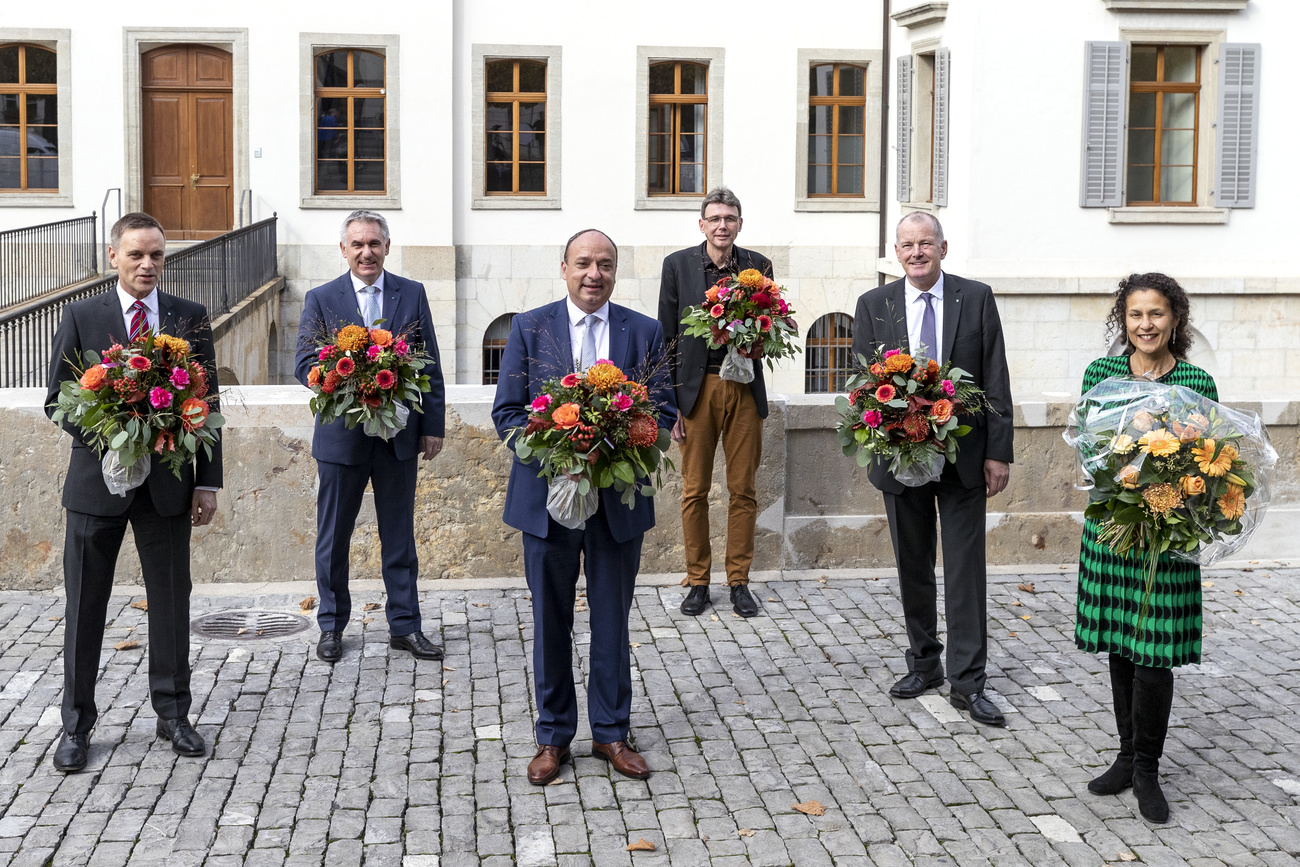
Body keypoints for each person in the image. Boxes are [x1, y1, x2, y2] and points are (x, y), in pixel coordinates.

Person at [492, 229, 675, 785]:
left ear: (615, 272)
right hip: (547, 502)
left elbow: (663, 415)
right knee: (550, 619)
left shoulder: (643, 332)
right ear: (564, 267)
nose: (593, 274)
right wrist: (557, 452)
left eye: (605, 264)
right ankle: (553, 737)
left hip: (616, 503)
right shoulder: (529, 327)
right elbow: (508, 413)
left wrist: (620, 446)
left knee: (612, 619)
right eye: (583, 264)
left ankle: (612, 733)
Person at [44, 212, 222, 772]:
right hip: (97, 485)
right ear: (113, 256)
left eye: (157, 256)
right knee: (84, 605)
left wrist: (208, 481)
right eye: (137, 255)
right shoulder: (81, 316)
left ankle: (173, 715)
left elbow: (206, 406)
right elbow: (57, 401)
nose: (147, 265)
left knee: (171, 601)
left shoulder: (190, 320)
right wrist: (113, 427)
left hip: (168, 487)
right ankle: (76, 725)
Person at [851, 212, 1014, 726]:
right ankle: (924, 664)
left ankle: (968, 683)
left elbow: (995, 378)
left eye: (926, 243)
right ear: (895, 252)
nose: (916, 252)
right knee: (913, 566)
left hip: (963, 455)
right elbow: (860, 386)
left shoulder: (977, 297)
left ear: (943, 247)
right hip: (900, 458)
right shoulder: (873, 306)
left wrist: (998, 452)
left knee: (965, 571)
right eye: (907, 245)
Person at [1076, 273, 1216, 824]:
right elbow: (1088, 447)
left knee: (1155, 652)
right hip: (1113, 528)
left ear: (1174, 319)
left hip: (1169, 536)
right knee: (1121, 644)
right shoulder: (1101, 373)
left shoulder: (1195, 380)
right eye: (1136, 315)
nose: (1146, 325)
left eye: (1156, 314)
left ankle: (1149, 772)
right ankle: (1127, 756)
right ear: (1123, 320)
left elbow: (1210, 453)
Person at [294, 210, 446, 664]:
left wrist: (432, 425)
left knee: (399, 536)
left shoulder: (412, 294)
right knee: (333, 537)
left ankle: (405, 626)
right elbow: (304, 363)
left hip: (398, 437)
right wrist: (343, 377)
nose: (367, 252)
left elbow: (430, 363)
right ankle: (331, 625)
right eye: (358, 244)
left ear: (386, 246)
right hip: (342, 440)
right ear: (344, 250)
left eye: (374, 243)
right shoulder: (321, 298)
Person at [657, 187, 772, 618]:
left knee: (743, 490)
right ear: (702, 224)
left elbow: (770, 326)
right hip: (696, 390)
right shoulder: (677, 266)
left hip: (744, 388)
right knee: (694, 491)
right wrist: (671, 408)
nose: (722, 225)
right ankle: (698, 581)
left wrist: (761, 339)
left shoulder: (758, 267)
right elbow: (665, 338)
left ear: (739, 224)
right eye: (715, 218)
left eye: (730, 218)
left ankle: (739, 580)